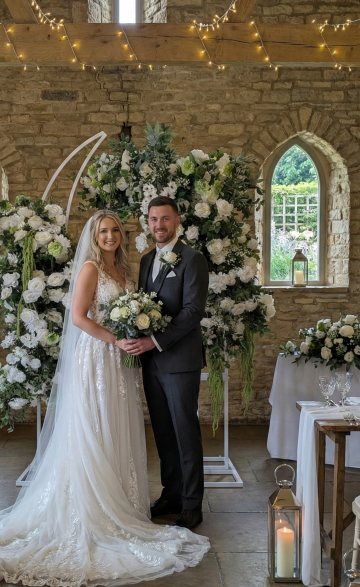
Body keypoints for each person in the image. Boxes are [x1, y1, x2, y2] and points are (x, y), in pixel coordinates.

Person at [0, 209, 209, 587]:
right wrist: (116, 340)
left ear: (173, 222)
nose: (110, 236)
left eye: (115, 230)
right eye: (104, 230)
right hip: (101, 356)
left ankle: (183, 502)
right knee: (98, 425)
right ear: (94, 235)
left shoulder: (137, 268)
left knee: (135, 424)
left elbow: (186, 311)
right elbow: (78, 317)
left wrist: (140, 338)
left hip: (133, 358)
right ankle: (125, 500)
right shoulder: (94, 267)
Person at [124, 196, 209, 530]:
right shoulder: (146, 260)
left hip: (179, 360)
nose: (158, 225)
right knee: (162, 430)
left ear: (177, 222)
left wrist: (154, 340)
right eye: (153, 219)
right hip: (152, 362)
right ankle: (171, 493)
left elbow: (192, 312)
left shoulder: (193, 259)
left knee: (184, 430)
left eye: (164, 219)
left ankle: (192, 503)